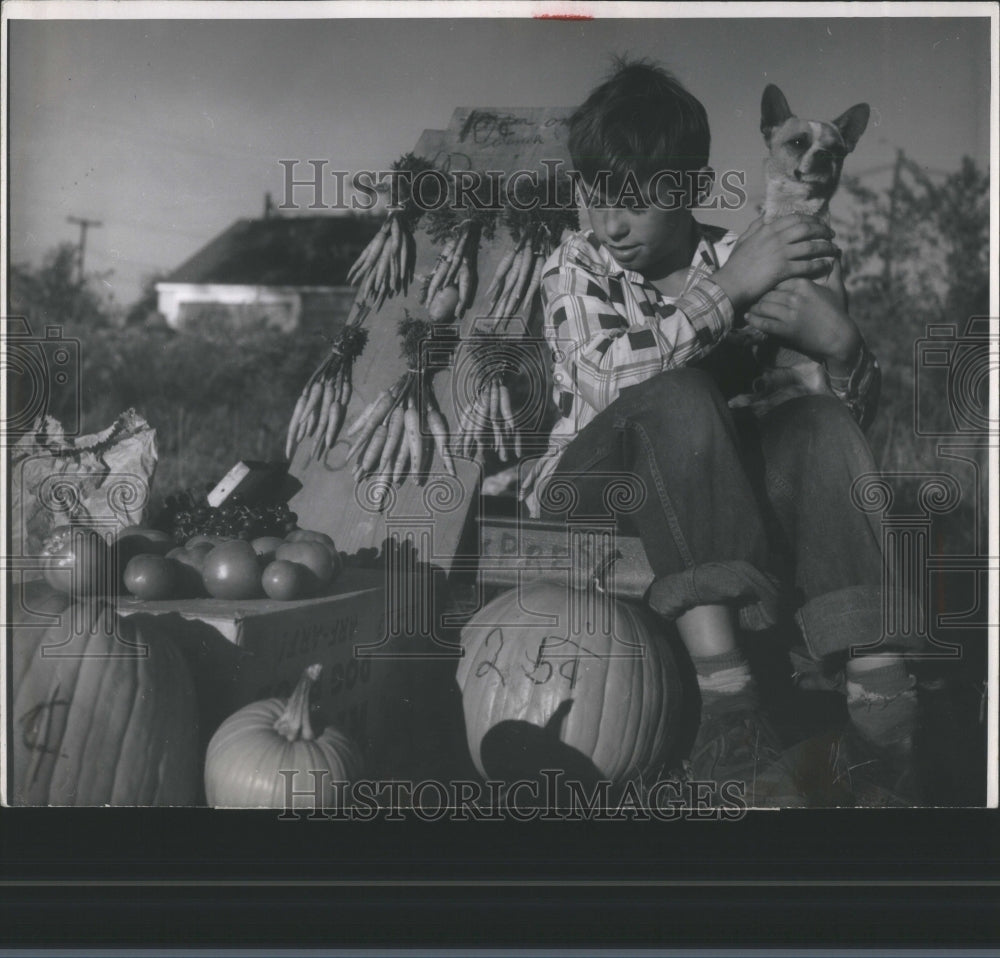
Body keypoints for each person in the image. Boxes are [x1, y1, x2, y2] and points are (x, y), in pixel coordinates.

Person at [521, 59, 919, 806]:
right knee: (676, 394)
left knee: (817, 421)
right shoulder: (577, 267)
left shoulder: (743, 250)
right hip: (594, 490)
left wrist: (841, 349)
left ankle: (880, 707)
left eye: (636, 204)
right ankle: (729, 707)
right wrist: (730, 291)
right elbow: (611, 381)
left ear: (693, 191)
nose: (611, 223)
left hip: (712, 502)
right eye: (597, 199)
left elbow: (825, 435)